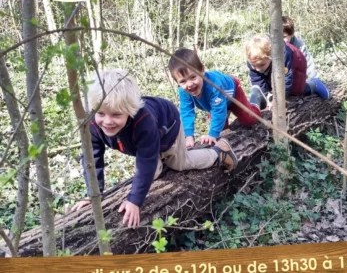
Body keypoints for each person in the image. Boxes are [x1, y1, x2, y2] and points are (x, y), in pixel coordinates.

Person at [70, 69, 238, 227]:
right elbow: (92, 158)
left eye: (116, 114)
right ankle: (162, 158)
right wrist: (93, 194)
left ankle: (219, 152)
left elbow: (147, 159)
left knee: (179, 163)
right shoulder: (92, 124)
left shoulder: (143, 122)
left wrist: (134, 200)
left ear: (129, 111)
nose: (107, 121)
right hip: (145, 142)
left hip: (167, 127)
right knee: (154, 173)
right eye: (101, 113)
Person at [168, 48, 266, 148]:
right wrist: (188, 136)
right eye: (183, 81)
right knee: (223, 131)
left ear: (202, 71)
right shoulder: (184, 92)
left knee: (249, 120)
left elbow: (218, 111)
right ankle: (225, 112)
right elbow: (186, 112)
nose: (189, 84)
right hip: (214, 103)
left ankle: (256, 97)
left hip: (232, 93)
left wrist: (212, 135)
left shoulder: (214, 85)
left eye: (193, 77)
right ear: (177, 82)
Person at [245, 35, 330, 109]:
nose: (257, 69)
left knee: (296, 89)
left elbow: (286, 79)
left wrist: (278, 100)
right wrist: (265, 97)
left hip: (296, 61)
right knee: (269, 82)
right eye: (254, 66)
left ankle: (314, 85)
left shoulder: (282, 56)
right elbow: (257, 81)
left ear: (270, 56)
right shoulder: (254, 60)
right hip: (274, 65)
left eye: (261, 65)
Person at [282, 16, 330, 99]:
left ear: (291, 34)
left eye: (284, 37)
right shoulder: (269, 43)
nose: (280, 40)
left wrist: (313, 77)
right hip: (283, 74)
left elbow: (307, 62)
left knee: (298, 90)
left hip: (295, 72)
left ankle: (315, 84)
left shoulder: (298, 45)